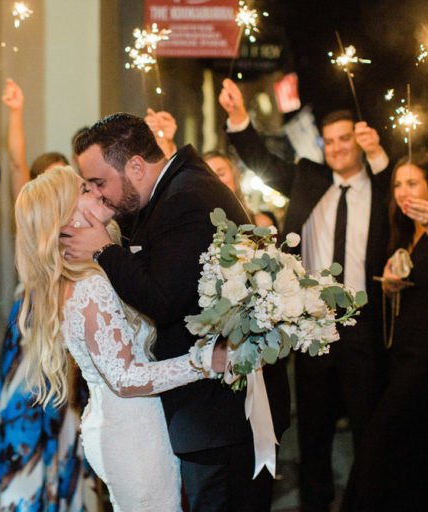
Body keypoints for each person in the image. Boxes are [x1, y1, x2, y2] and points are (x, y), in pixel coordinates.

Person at [61, 113, 290, 512]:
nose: (100, 195)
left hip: (218, 417)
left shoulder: (184, 199)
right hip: (209, 416)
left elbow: (163, 299)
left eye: (100, 183)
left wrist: (104, 251)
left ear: (135, 166)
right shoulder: (175, 190)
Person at [219, 77, 390, 512]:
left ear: (361, 139)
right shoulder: (309, 179)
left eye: (344, 138)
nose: (335, 147)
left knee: (370, 429)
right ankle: (315, 503)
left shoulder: (384, 187)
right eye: (329, 140)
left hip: (363, 327)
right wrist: (239, 117)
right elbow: (261, 159)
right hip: (312, 328)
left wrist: (379, 157)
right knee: (312, 433)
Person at [15, 165, 224, 511]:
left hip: (119, 425)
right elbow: (125, 378)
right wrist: (204, 362)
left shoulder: (83, 276)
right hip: (133, 433)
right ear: (66, 221)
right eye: (84, 190)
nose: (97, 192)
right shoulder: (90, 286)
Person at [0, 79, 100, 512]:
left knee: (68, 427)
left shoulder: (84, 234)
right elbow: (15, 166)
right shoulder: (31, 224)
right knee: (23, 421)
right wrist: (15, 111)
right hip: (30, 338)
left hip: (67, 347)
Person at [344, 153, 428, 511]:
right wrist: (390, 285)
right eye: (398, 184)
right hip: (403, 349)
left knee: (379, 436)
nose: (401, 190)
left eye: (412, 183)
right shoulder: (404, 230)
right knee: (417, 444)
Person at [202, 150, 275, 227]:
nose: (217, 180)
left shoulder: (261, 224)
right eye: (209, 176)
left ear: (234, 176)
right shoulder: (196, 225)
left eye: (221, 174)